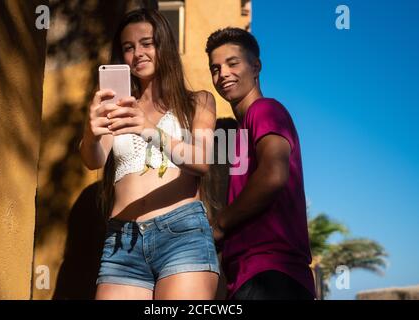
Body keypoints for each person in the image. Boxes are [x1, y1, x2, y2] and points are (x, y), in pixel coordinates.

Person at [79, 9, 219, 300]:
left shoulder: (198, 101)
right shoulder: (118, 108)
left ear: (163, 45)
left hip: (182, 234)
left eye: (147, 43)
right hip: (122, 241)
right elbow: (94, 159)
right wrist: (91, 133)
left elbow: (202, 160)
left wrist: (148, 129)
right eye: (128, 48)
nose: (138, 53)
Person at [205, 27, 316, 300]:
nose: (223, 74)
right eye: (215, 68)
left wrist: (220, 224)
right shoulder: (242, 130)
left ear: (256, 67)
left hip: (272, 273)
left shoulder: (265, 110)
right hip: (249, 275)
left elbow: (273, 175)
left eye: (233, 63)